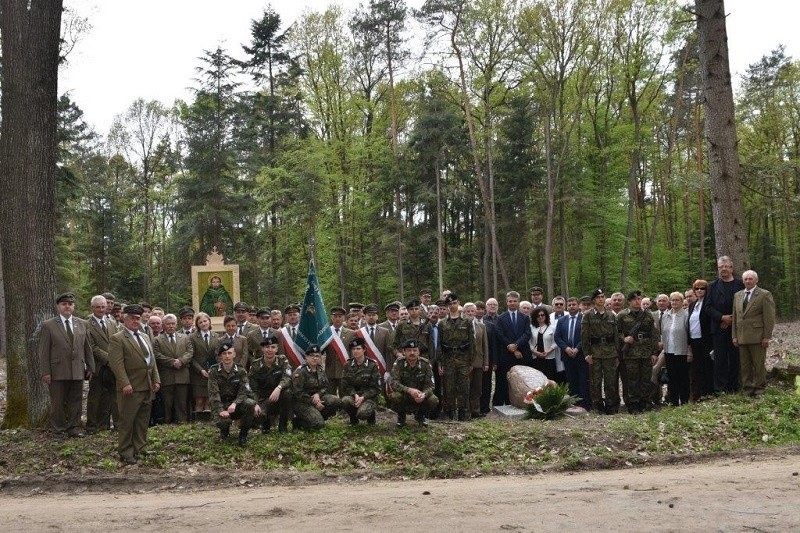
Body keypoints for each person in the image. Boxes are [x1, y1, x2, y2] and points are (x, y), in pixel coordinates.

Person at [108, 304, 160, 464]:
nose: (135, 321)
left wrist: (156, 379)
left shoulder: (144, 336)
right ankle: (125, 451)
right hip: (130, 387)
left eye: (138, 318)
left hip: (146, 385)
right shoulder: (118, 338)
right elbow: (116, 364)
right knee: (127, 420)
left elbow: (152, 361)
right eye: (132, 318)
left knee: (143, 419)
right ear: (125, 319)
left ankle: (140, 446)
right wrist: (125, 383)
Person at [39, 292, 95, 437]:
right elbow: (44, 351)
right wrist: (45, 372)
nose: (67, 306)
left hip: (77, 369)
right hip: (57, 370)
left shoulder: (82, 323)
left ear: (74, 306)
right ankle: (57, 430)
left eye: (70, 304)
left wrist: (90, 366)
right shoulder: (48, 325)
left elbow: (87, 347)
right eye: (64, 304)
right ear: (58, 306)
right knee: (57, 402)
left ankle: (73, 428)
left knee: (75, 401)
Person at [704, 256, 745, 393]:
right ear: (718, 269)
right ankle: (720, 388)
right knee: (719, 359)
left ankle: (733, 387)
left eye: (726, 266)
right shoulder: (712, 286)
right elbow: (707, 307)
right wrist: (721, 318)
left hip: (737, 328)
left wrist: (731, 320)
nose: (724, 269)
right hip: (718, 328)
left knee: (735, 358)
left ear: (732, 268)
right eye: (721, 267)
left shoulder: (740, 285)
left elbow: (746, 306)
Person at [732, 270, 776, 397]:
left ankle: (759, 389)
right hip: (741, 337)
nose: (748, 281)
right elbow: (735, 317)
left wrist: (767, 337)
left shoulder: (764, 294)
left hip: (758, 337)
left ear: (756, 280)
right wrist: (734, 336)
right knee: (744, 366)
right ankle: (747, 389)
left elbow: (769, 318)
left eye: (751, 279)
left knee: (758, 365)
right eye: (745, 279)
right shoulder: (738, 295)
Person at [617, 291, 658, 414]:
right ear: (629, 301)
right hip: (630, 352)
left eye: (639, 299)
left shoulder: (648, 315)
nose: (637, 301)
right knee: (632, 379)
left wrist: (654, 352)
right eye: (634, 299)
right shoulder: (622, 315)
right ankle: (633, 403)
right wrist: (623, 339)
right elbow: (616, 332)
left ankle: (644, 401)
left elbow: (654, 335)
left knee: (646, 378)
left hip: (646, 351)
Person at [208, 342, 257, 446]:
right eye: (224, 353)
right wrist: (221, 410)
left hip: (236, 404)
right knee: (223, 422)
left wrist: (235, 403)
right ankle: (225, 431)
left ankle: (243, 435)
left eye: (229, 353)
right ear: (220, 356)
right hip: (221, 404)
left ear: (234, 354)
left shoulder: (240, 370)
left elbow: (244, 391)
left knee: (250, 403)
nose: (227, 356)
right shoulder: (214, 371)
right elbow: (213, 393)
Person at [581, 289, 619, 414]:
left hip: (610, 352)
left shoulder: (611, 315)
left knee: (611, 381)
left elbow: (616, 336)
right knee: (595, 381)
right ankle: (597, 406)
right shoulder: (588, 315)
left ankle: (610, 405)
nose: (601, 299)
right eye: (598, 297)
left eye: (602, 297)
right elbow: (584, 336)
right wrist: (587, 354)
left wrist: (617, 353)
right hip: (595, 352)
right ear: (594, 300)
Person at [439, 293, 475, 421]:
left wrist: (471, 361)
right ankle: (449, 412)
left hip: (463, 358)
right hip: (448, 358)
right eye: (450, 304)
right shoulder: (442, 323)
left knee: (464, 387)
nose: (452, 306)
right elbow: (439, 344)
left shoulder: (467, 321)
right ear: (447, 306)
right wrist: (440, 363)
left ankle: (463, 412)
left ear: (458, 303)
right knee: (449, 387)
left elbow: (472, 342)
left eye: (454, 303)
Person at [492, 291, 533, 406]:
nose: (512, 303)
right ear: (506, 302)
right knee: (504, 381)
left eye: (515, 301)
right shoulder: (500, 318)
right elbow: (500, 335)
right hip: (506, 355)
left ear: (518, 302)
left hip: (522, 355)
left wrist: (517, 345)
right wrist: (511, 347)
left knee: (521, 381)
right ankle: (504, 403)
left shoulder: (524, 318)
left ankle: (522, 402)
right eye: (510, 301)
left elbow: (527, 333)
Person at [86, 294, 119, 434]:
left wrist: (115, 359)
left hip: (113, 366)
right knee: (95, 397)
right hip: (98, 366)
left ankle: (110, 424)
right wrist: (108, 358)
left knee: (112, 397)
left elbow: (116, 341)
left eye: (103, 307)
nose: (101, 310)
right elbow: (91, 346)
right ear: (92, 308)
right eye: (98, 307)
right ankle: (92, 426)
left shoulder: (111, 322)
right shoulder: (87, 323)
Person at [153, 314, 194, 423]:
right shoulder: (157, 340)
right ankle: (167, 423)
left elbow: (190, 352)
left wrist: (181, 361)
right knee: (167, 403)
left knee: (182, 403)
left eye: (173, 324)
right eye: (168, 324)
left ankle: (182, 423)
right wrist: (172, 362)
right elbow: (157, 355)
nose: (171, 326)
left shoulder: (185, 338)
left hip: (182, 376)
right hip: (167, 376)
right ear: (163, 325)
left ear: (176, 325)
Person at [248, 335, 293, 433]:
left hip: (278, 397)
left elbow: (288, 377)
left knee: (287, 392)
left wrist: (279, 388)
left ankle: (283, 425)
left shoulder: (282, 360)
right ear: (263, 349)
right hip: (263, 399)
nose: (270, 350)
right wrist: (255, 404)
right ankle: (266, 423)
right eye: (267, 347)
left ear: (277, 349)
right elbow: (252, 388)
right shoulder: (255, 365)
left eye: (273, 347)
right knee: (257, 415)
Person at [390, 339, 438, 427]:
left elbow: (431, 385)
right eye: (409, 350)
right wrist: (409, 390)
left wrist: (424, 394)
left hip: (419, 396)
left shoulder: (425, 364)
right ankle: (401, 417)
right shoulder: (399, 363)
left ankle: (420, 416)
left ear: (419, 352)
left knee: (433, 399)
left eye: (415, 350)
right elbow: (393, 383)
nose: (412, 353)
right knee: (395, 396)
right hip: (405, 395)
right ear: (404, 352)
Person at [292, 345, 342, 430]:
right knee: (318, 425)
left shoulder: (320, 370)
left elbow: (325, 386)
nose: (314, 358)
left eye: (317, 356)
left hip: (318, 398)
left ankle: (319, 416)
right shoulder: (300, 371)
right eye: (311, 356)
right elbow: (298, 393)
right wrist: (314, 401)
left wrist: (318, 394)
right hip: (302, 403)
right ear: (306, 357)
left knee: (336, 401)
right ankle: (298, 422)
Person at [555, 297, 590, 409]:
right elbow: (557, 337)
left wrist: (577, 348)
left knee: (583, 380)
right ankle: (574, 403)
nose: (571, 307)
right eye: (569, 305)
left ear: (578, 305)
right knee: (571, 380)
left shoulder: (584, 319)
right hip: (567, 355)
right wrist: (566, 348)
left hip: (581, 355)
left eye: (573, 304)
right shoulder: (562, 321)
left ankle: (585, 404)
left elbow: (586, 336)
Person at [341, 337, 381, 425]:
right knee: (345, 401)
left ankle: (371, 416)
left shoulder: (372, 365)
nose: (355, 351)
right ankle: (353, 419)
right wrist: (355, 395)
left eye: (358, 348)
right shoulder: (348, 365)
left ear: (364, 349)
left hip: (368, 398)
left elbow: (376, 388)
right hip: (354, 396)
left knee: (362, 414)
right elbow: (345, 385)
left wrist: (363, 397)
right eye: (353, 349)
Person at [661, 292, 691, 405]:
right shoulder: (666, 316)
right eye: (672, 300)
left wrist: (689, 350)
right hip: (668, 350)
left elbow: (689, 334)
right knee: (672, 377)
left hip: (682, 351)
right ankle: (673, 401)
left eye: (677, 300)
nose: (674, 302)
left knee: (683, 377)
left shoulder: (686, 315)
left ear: (682, 301)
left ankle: (684, 401)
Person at [687, 280, 714, 400]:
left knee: (708, 365)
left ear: (706, 290)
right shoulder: (693, 305)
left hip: (706, 338)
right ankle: (701, 392)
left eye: (702, 288)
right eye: (696, 289)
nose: (699, 291)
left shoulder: (709, 303)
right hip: (694, 339)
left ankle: (709, 392)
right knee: (698, 367)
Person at [189, 311, 218, 416]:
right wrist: (200, 370)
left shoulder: (217, 336)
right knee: (200, 401)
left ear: (209, 322)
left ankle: (208, 426)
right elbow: (191, 357)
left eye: (205, 321)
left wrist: (213, 369)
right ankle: (199, 424)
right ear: (197, 325)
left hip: (212, 373)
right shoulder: (192, 337)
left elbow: (218, 355)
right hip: (198, 374)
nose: (203, 324)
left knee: (209, 401)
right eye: (200, 322)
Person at [463, 302, 489, 418]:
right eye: (467, 311)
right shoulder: (460, 327)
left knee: (477, 388)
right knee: (466, 387)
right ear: (464, 313)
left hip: (478, 361)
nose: (470, 313)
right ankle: (466, 411)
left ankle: (475, 411)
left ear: (475, 312)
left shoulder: (481, 326)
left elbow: (485, 346)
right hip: (464, 362)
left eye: (472, 311)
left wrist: (486, 362)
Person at [325, 306, 356, 395]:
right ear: (331, 317)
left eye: (340, 316)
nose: (337, 318)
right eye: (335, 316)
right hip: (330, 370)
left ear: (344, 318)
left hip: (345, 371)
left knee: (345, 398)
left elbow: (353, 352)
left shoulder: (351, 333)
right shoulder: (326, 333)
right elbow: (321, 351)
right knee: (330, 399)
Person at [530, 307, 558, 381]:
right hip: (535, 358)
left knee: (549, 380)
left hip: (549, 358)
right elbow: (528, 342)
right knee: (537, 380)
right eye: (538, 315)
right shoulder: (531, 328)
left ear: (546, 316)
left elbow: (556, 342)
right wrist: (534, 352)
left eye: (542, 315)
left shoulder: (552, 328)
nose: (540, 317)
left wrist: (548, 351)